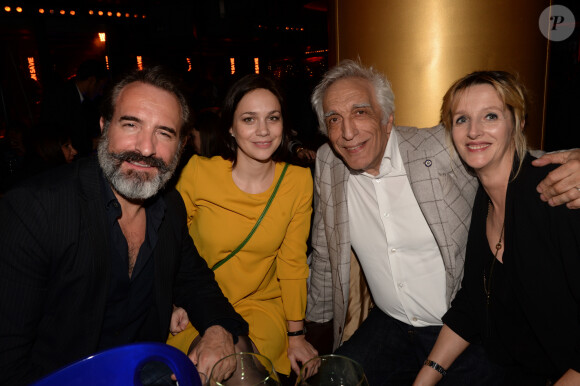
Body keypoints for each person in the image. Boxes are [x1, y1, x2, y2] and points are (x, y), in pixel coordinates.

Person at [305, 60, 580, 385]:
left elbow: (525, 156)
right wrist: (305, 330)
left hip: (466, 332)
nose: (347, 132)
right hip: (392, 322)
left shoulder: (446, 150)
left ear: (387, 119)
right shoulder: (328, 161)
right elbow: (323, 253)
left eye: (361, 112)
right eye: (334, 119)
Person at [0, 66, 248, 385]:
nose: (146, 148)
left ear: (182, 145)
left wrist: (217, 329)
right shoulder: (35, 210)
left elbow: (195, 281)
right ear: (104, 127)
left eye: (164, 133)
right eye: (131, 124)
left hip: (145, 373)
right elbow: (8, 361)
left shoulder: (169, 206)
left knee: (245, 357)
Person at [413, 71, 580, 385]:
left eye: (490, 116)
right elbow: (473, 302)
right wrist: (425, 378)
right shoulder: (484, 198)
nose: (474, 131)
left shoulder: (556, 193)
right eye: (462, 119)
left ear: (517, 123)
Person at [167, 74, 318, 378]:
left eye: (272, 118)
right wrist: (174, 299)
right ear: (231, 128)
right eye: (249, 119)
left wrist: (296, 335)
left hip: (260, 305)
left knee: (238, 356)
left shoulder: (297, 182)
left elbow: (292, 264)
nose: (263, 130)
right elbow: (168, 243)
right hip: (198, 303)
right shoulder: (198, 172)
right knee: (216, 361)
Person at [40, 59, 109, 157]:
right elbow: (66, 136)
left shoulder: (78, 97)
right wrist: (92, 143)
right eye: (101, 87)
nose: (100, 92)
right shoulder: (63, 98)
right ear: (92, 81)